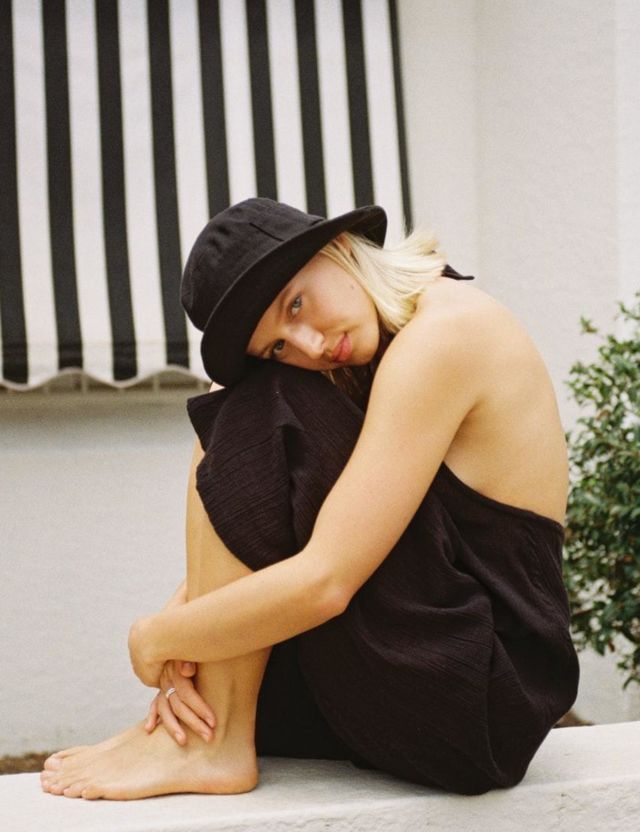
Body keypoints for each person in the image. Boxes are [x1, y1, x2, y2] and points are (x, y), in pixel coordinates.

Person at [40, 198, 579, 800]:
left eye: (294, 304)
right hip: (417, 665)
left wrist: (157, 638)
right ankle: (199, 735)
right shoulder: (368, 351)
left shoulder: (447, 334)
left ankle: (212, 745)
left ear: (338, 248)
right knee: (233, 396)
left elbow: (326, 580)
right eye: (277, 346)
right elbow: (284, 522)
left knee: (255, 407)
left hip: (482, 697)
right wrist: (187, 630)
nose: (307, 344)